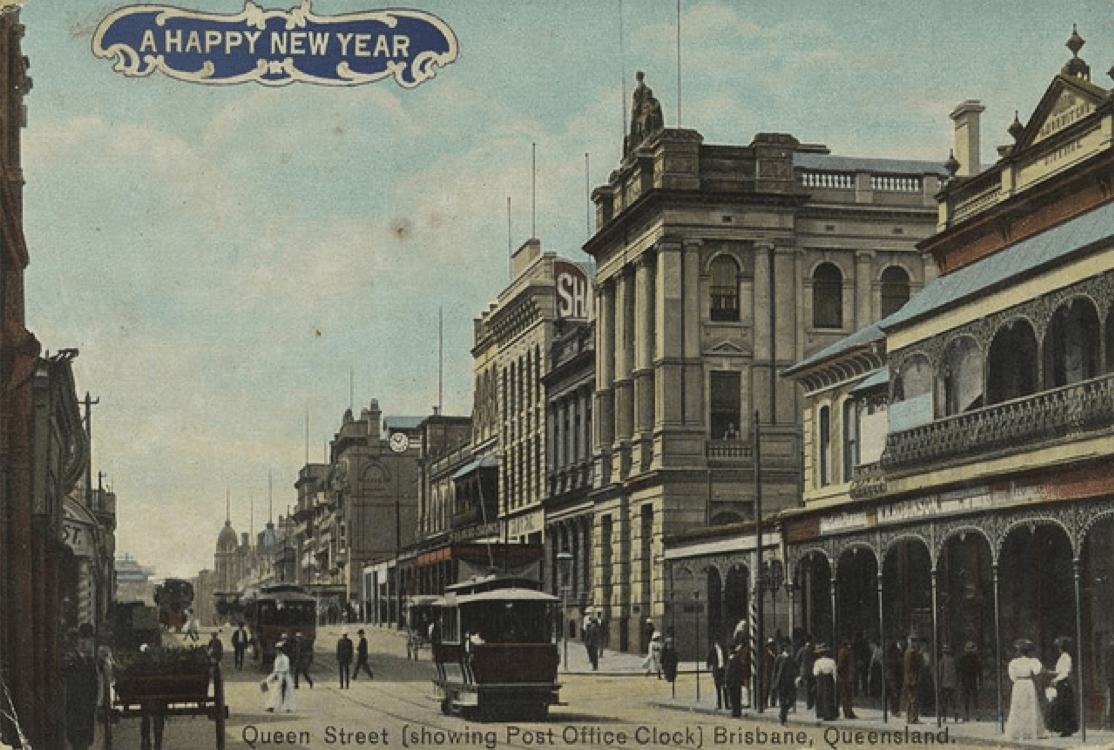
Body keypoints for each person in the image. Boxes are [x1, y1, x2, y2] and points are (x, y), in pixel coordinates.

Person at [1004, 639, 1046, 740]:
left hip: (1018, 684)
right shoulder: (1033, 661)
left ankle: (1017, 732)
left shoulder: (1013, 663)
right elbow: (1037, 672)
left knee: (1018, 706)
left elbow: (1012, 677)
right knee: (1030, 706)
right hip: (1028, 684)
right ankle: (1031, 731)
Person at [63, 632, 99, 750]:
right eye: (89, 641)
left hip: (87, 708)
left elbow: (94, 686)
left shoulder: (91, 663)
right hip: (76, 708)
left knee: (85, 740)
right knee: (77, 740)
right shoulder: (72, 663)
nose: (91, 645)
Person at [1045, 636, 1077, 737]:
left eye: (1060, 647)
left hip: (1064, 683)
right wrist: (1050, 673)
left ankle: (1067, 729)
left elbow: (1066, 672)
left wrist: (1056, 679)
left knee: (1065, 706)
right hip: (1060, 682)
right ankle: (1062, 727)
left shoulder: (1067, 658)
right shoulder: (1062, 657)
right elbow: (1059, 671)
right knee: (1060, 706)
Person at [772, 639, 798, 726]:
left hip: (790, 683)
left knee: (792, 699)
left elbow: (795, 670)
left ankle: (783, 713)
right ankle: (783, 717)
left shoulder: (792, 658)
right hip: (781, 683)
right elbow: (775, 671)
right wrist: (775, 682)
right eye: (787, 647)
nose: (789, 648)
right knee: (782, 701)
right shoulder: (779, 658)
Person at [265, 639, 295, 713]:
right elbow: (275, 671)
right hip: (281, 676)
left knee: (286, 692)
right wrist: (268, 679)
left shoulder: (284, 658)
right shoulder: (278, 658)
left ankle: (287, 707)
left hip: (284, 676)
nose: (276, 651)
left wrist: (269, 679)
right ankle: (273, 706)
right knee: (276, 692)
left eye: (277, 650)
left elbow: (281, 670)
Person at [812, 643, 838, 720]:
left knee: (821, 696)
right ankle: (830, 713)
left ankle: (821, 713)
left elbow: (815, 672)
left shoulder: (818, 662)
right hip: (829, 679)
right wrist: (834, 682)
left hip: (821, 679)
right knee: (829, 696)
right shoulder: (832, 661)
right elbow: (834, 673)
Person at [958, 641, 981, 722]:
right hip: (972, 679)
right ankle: (977, 715)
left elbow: (960, 670)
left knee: (966, 698)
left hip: (966, 679)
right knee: (974, 698)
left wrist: (959, 680)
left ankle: (967, 715)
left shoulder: (963, 658)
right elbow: (979, 670)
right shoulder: (976, 658)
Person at [836, 639, 857, 719]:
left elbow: (840, 665)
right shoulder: (847, 652)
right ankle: (848, 712)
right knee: (847, 694)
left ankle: (847, 712)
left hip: (844, 676)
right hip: (847, 676)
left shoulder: (842, 652)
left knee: (845, 694)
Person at [904, 637, 923, 724]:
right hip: (913, 678)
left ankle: (909, 717)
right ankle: (913, 718)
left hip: (908, 678)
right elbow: (918, 663)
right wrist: (920, 655)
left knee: (910, 698)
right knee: (914, 699)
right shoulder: (912, 653)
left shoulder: (906, 652)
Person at [938, 645, 959, 722]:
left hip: (944, 684)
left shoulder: (942, 661)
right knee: (953, 701)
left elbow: (940, 673)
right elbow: (957, 672)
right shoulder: (954, 661)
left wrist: (939, 684)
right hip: (953, 683)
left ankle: (944, 716)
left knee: (944, 701)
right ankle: (955, 714)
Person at [795, 637, 816, 710]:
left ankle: (809, 703)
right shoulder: (812, 650)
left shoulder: (801, 650)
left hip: (804, 671)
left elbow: (797, 660)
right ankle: (811, 702)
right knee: (811, 687)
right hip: (811, 671)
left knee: (807, 688)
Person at [707, 639, 728, 710]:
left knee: (725, 687)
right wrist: (710, 668)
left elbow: (726, 658)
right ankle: (719, 704)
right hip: (717, 671)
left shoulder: (724, 650)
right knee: (718, 688)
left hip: (723, 669)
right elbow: (709, 660)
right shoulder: (712, 651)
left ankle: (726, 704)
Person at [725, 645, 745, 717]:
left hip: (733, 682)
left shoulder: (734, 659)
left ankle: (736, 712)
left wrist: (727, 681)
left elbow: (729, 672)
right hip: (735, 682)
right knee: (736, 698)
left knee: (734, 698)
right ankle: (736, 711)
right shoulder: (735, 659)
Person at [1104, 635, 1114, 729]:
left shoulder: (1108, 650)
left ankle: (1111, 722)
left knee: (1111, 700)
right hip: (1111, 679)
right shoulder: (1110, 650)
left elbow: (1106, 666)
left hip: (1110, 679)